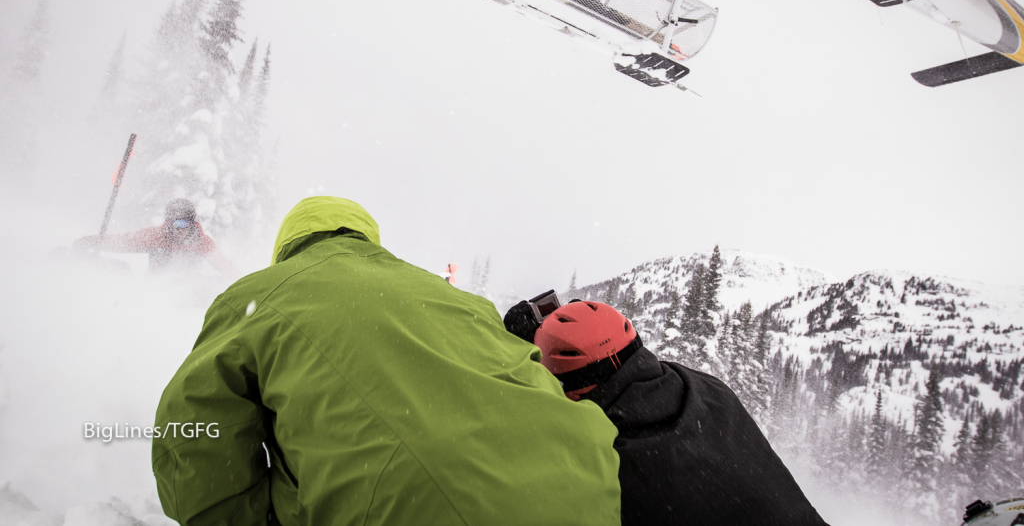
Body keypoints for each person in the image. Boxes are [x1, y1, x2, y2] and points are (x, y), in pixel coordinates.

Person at [151, 196, 621, 525]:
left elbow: (189, 438)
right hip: (582, 493)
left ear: (287, 246)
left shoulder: (255, 297)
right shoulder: (452, 296)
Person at [504, 298, 831, 526]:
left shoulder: (611, 459)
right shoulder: (707, 389)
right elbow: (607, 357)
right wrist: (569, 333)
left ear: (572, 391)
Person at [74, 198, 238, 277]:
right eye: (174, 223)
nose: (178, 229)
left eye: (183, 224)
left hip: (188, 292)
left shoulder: (202, 243)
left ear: (192, 223)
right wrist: (91, 241)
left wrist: (241, 281)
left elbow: (224, 264)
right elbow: (123, 242)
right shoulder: (156, 237)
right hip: (157, 291)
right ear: (168, 222)